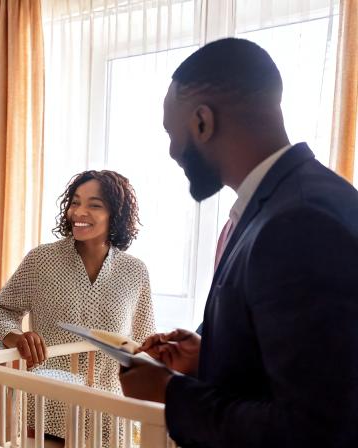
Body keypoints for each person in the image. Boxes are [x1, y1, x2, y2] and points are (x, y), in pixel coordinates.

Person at [119, 38, 358, 447]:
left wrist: (169, 392)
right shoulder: (299, 199)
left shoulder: (298, 222)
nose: (173, 151)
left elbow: (313, 430)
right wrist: (209, 355)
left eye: (170, 133)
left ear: (202, 122)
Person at [0, 170, 156, 445]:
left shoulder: (134, 271)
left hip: (108, 411)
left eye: (94, 205)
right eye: (75, 202)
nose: (79, 212)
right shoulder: (42, 260)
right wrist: (17, 337)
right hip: (48, 405)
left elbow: (146, 342)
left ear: (116, 214)